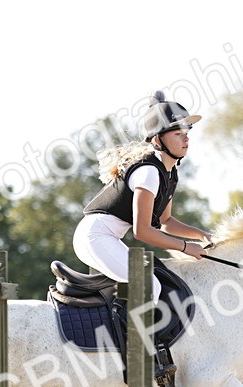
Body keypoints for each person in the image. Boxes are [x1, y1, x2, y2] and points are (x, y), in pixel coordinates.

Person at [74, 91, 213, 301]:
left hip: (106, 238)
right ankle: (127, 325)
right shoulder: (149, 172)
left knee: (153, 281)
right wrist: (185, 247)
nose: (186, 138)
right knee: (149, 286)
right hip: (95, 237)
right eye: (177, 133)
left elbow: (165, 221)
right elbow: (142, 231)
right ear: (158, 140)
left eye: (186, 132)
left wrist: (202, 235)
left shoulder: (170, 173)